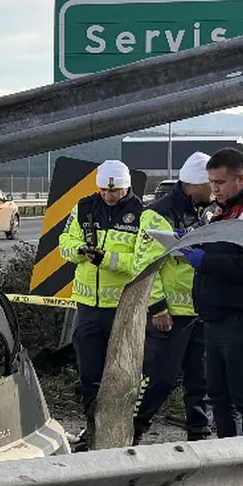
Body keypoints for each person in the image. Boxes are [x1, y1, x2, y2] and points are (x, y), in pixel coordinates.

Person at [182, 147, 243, 437]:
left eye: (220, 183)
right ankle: (230, 458)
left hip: (242, 319)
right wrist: (194, 245)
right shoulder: (224, 211)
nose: (215, 189)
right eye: (211, 183)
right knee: (219, 398)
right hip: (215, 318)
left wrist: (204, 261)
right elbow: (224, 252)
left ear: (240, 178)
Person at [58, 159, 143, 450]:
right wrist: (80, 251)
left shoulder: (142, 214)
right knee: (90, 372)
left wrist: (106, 259)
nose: (109, 196)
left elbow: (141, 262)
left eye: (115, 191)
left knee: (121, 374)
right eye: (104, 191)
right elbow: (64, 242)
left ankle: (122, 431)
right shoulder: (83, 207)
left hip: (122, 308)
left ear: (126, 186)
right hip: (88, 307)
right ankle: (93, 429)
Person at [131, 152, 214, 444]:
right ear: (197, 183)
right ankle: (133, 430)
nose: (214, 189)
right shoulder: (159, 214)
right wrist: (157, 307)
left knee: (200, 380)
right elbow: (143, 264)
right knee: (159, 379)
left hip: (199, 310)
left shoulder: (202, 211)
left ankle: (199, 436)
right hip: (171, 315)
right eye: (210, 183)